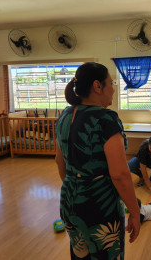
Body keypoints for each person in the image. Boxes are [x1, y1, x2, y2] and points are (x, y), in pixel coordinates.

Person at [55, 62, 140, 259]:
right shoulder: (105, 118)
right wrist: (134, 212)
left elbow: (60, 162)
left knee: (80, 254)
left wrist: (76, 189)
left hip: (68, 198)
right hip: (99, 204)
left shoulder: (64, 115)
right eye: (111, 82)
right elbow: (119, 174)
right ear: (97, 86)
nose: (114, 88)